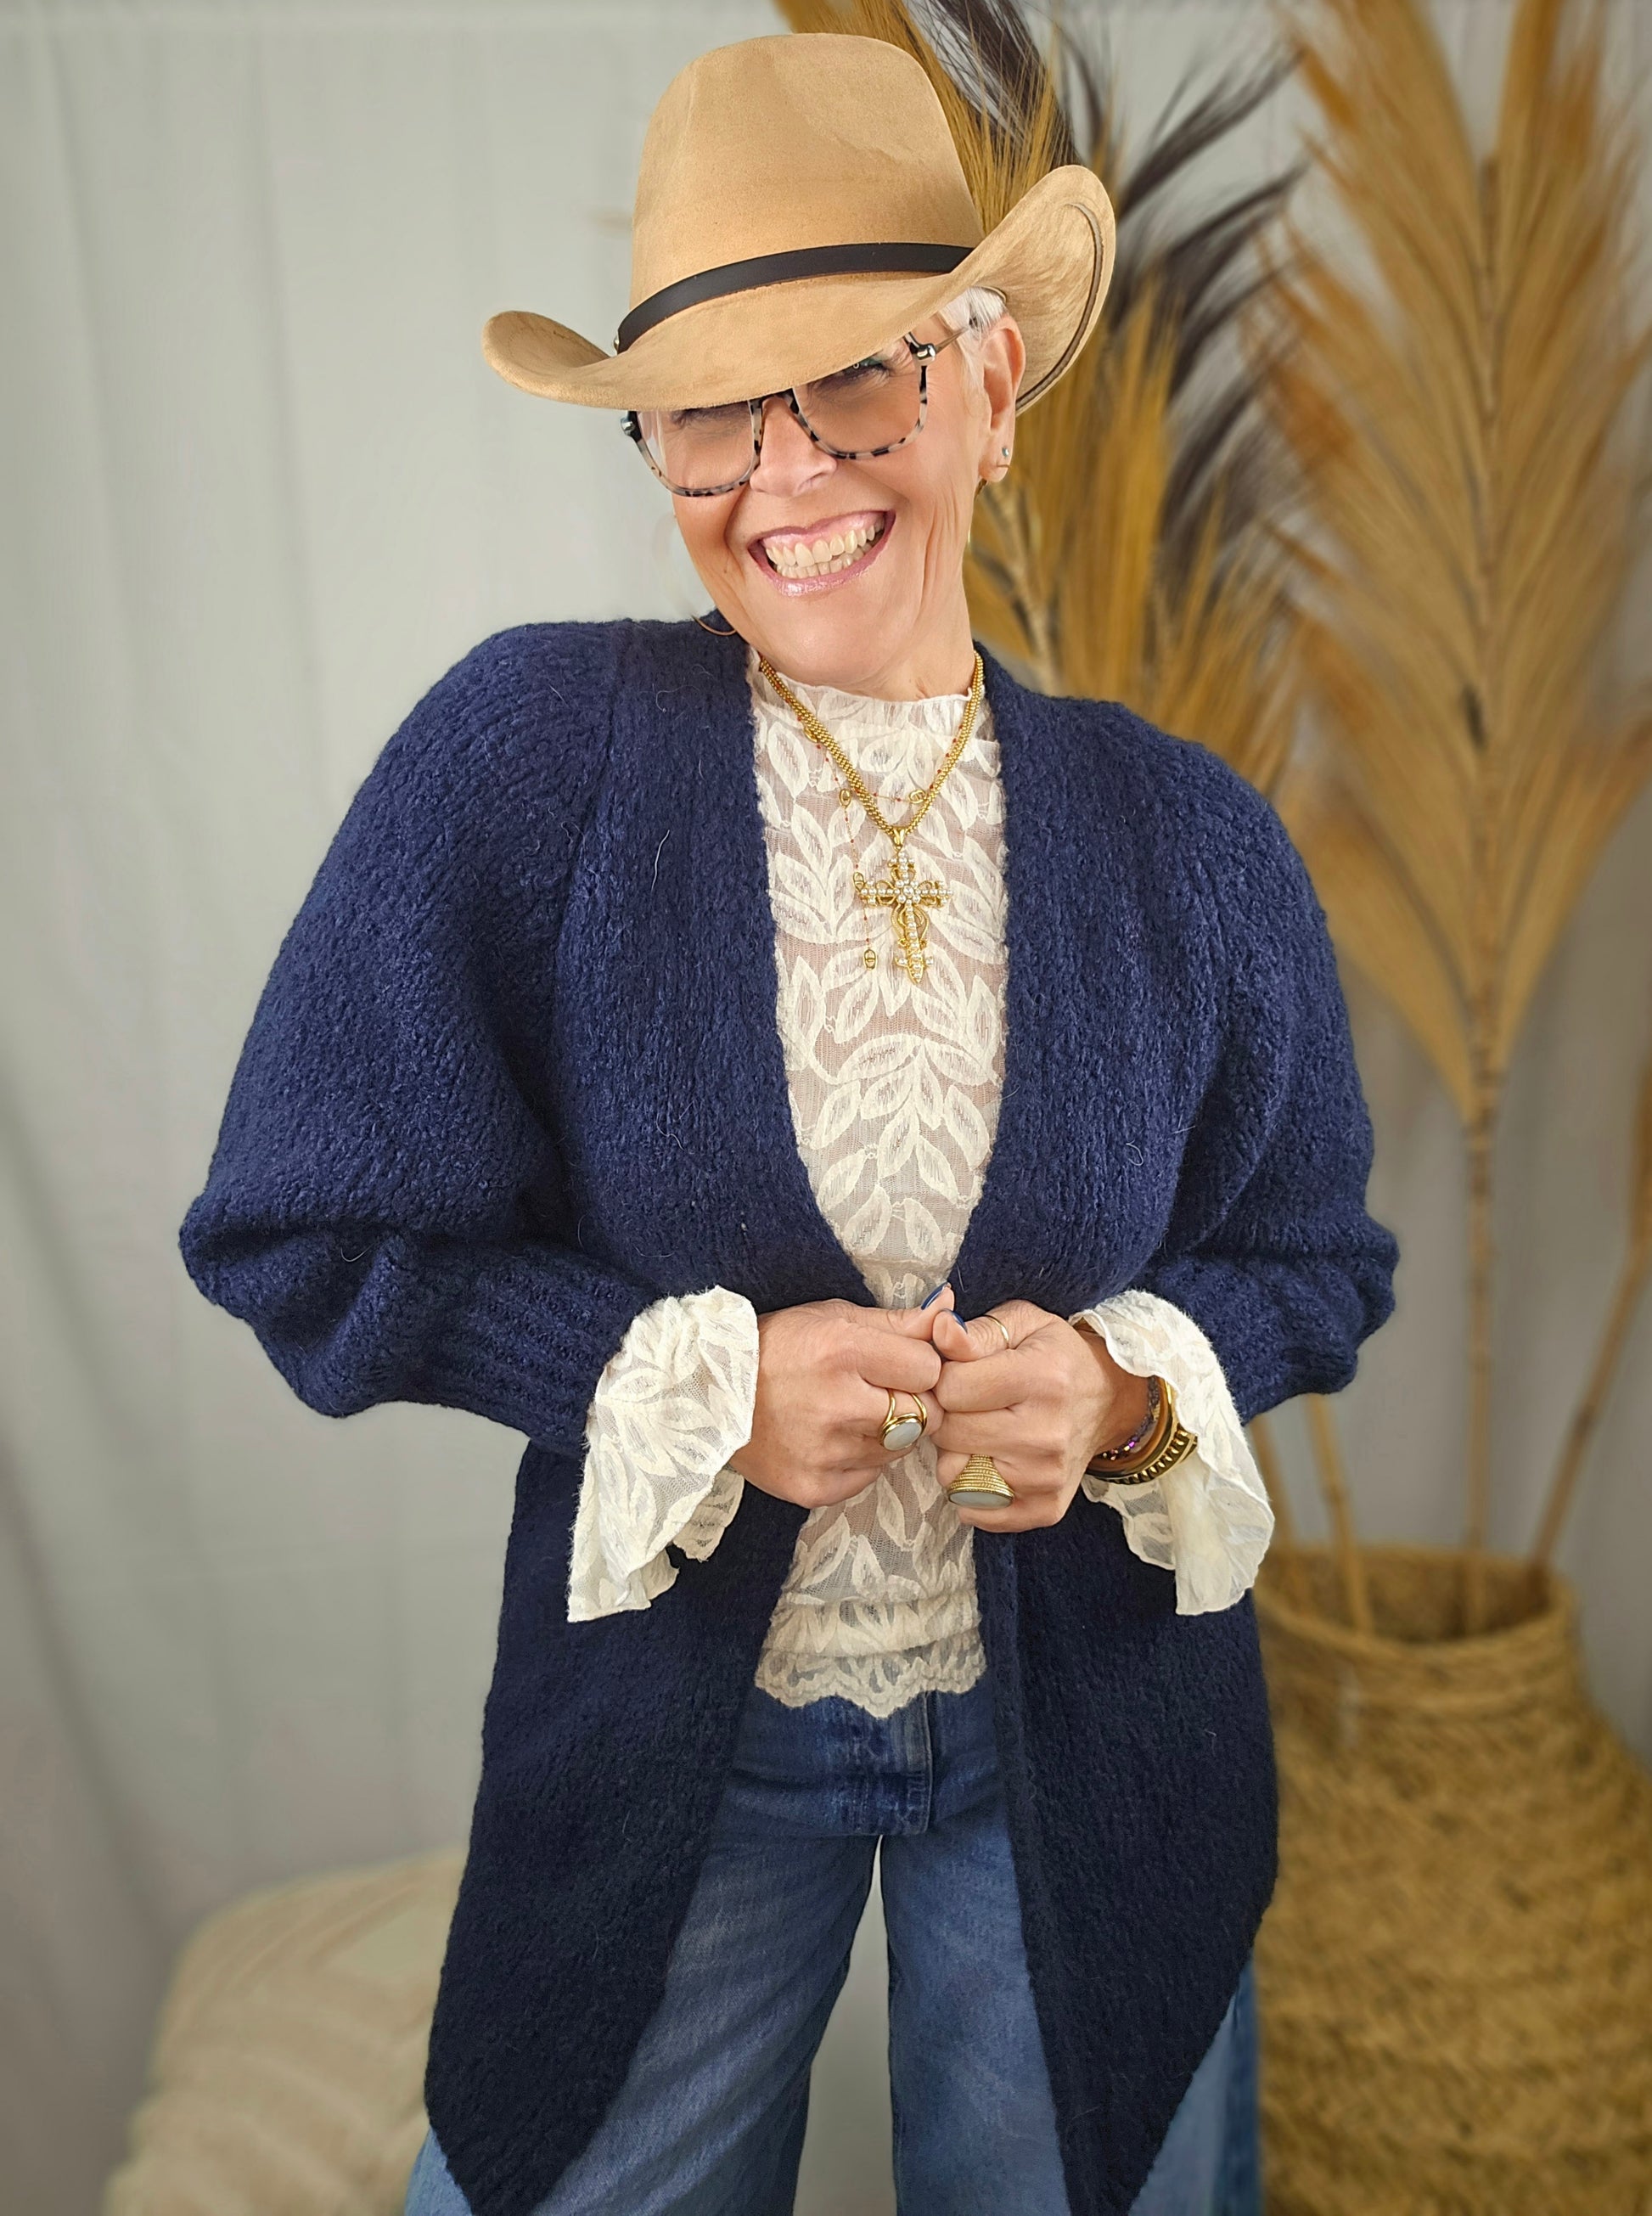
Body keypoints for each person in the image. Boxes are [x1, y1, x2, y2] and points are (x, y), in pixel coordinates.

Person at [177, 32, 1396, 2216]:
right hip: (680, 1738)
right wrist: (694, 1386)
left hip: (1092, 1748)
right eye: (708, 412)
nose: (782, 470)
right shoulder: (534, 759)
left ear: (989, 384)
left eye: (854, 381)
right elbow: (304, 1229)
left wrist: (1125, 1395)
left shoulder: (1189, 838)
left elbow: (1317, 1261)